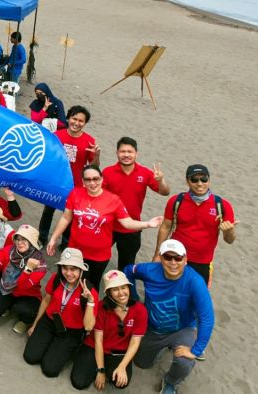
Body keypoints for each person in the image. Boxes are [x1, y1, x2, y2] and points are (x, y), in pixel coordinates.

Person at [47, 165, 163, 287]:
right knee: (67, 282)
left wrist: (148, 224)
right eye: (88, 179)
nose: (92, 183)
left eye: (96, 179)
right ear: (83, 181)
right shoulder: (75, 193)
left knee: (91, 286)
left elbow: (127, 222)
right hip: (75, 250)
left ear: (102, 179)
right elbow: (66, 217)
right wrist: (54, 238)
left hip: (99, 255)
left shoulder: (113, 200)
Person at [126, 239, 215, 394]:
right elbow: (128, 271)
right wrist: (133, 297)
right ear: (161, 258)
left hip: (182, 329)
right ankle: (162, 347)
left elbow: (207, 318)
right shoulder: (148, 270)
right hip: (153, 328)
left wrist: (195, 350)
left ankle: (170, 382)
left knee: (184, 361)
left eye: (178, 258)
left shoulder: (195, 282)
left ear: (185, 260)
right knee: (141, 363)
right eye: (168, 257)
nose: (173, 262)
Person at [153, 164, 237, 286]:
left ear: (209, 180)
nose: (199, 183)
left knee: (195, 298)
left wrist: (229, 231)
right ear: (187, 181)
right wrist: (157, 255)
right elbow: (165, 227)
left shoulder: (222, 205)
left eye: (204, 179)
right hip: (174, 257)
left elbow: (229, 240)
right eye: (194, 179)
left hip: (202, 261)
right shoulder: (176, 201)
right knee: (168, 290)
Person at [24, 248, 98, 379]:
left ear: (81, 269)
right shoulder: (56, 279)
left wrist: (90, 302)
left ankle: (62, 348)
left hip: (71, 331)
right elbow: (46, 300)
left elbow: (88, 327)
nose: (69, 273)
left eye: (73, 269)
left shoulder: (90, 291)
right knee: (30, 357)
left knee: (49, 369)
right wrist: (35, 324)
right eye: (65, 268)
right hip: (49, 321)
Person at [69, 269, 147, 390]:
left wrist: (122, 366)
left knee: (120, 383)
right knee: (79, 382)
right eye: (115, 289)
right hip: (94, 346)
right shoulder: (101, 307)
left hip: (118, 350)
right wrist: (101, 370)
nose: (121, 293)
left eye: (123, 287)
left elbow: (135, 342)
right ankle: (91, 363)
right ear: (109, 293)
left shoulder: (140, 310)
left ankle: (110, 366)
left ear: (128, 288)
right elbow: (98, 341)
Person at [102, 137, 170, 272]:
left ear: (136, 154)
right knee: (98, 261)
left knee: (126, 267)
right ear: (117, 153)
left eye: (130, 152)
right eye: (122, 151)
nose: (126, 155)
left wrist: (161, 180)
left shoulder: (145, 173)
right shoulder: (107, 172)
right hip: (108, 225)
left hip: (132, 228)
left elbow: (165, 192)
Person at [41, 104, 100, 248]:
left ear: (85, 123)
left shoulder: (89, 141)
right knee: (48, 210)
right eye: (74, 119)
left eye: (81, 121)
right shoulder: (57, 136)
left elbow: (95, 167)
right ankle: (42, 237)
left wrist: (97, 155)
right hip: (55, 182)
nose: (76, 123)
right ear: (68, 118)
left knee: (70, 215)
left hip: (75, 186)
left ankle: (66, 241)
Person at [0, 225, 47, 332]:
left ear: (32, 243)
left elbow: (23, 286)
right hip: (8, 289)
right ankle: (8, 306)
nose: (19, 242)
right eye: (18, 239)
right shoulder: (10, 250)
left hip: (27, 293)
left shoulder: (40, 263)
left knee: (25, 309)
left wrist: (28, 269)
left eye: (25, 239)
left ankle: (25, 321)